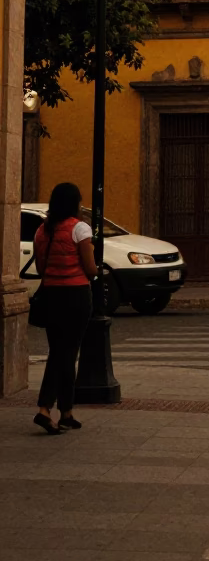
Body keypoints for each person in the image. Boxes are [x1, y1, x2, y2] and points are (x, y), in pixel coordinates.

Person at [33, 182, 97, 435]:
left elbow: (40, 268)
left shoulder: (42, 230)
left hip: (50, 295)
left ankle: (66, 412)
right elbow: (90, 269)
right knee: (65, 354)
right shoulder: (80, 229)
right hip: (76, 296)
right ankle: (44, 408)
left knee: (62, 352)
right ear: (75, 203)